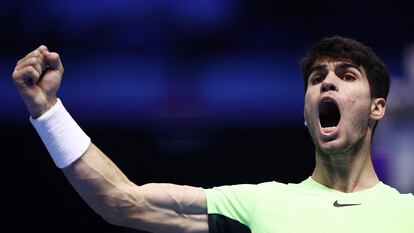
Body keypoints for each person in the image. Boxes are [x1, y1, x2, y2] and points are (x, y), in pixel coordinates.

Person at [12, 36, 413, 233]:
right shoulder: (255, 205)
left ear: (379, 107)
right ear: (306, 114)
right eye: (316, 78)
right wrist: (47, 111)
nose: (327, 85)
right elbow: (122, 201)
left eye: (346, 76)